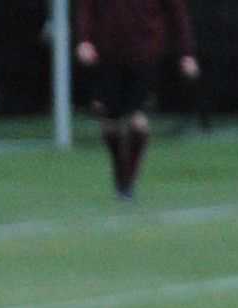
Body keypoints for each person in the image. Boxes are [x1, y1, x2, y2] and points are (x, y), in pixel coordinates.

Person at [76, 0, 197, 201]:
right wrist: (84, 40)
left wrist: (187, 53)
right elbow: (86, 7)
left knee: (136, 120)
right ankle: (120, 173)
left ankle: (127, 183)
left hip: (146, 55)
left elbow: (178, 13)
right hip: (108, 54)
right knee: (110, 122)